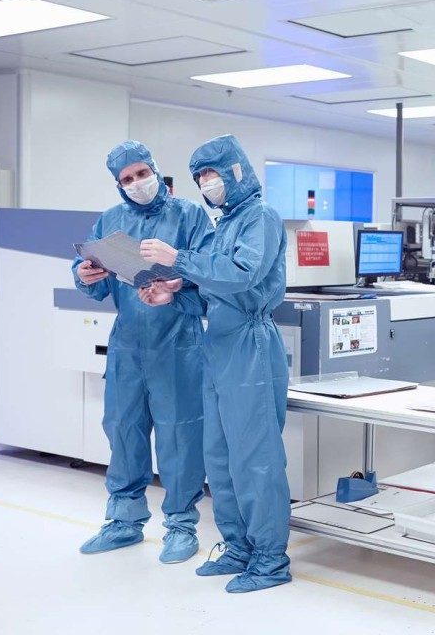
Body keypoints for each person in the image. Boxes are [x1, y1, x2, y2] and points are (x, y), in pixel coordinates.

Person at [140, 134, 291, 594]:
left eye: (211, 173)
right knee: (220, 457)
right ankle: (239, 547)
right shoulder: (226, 222)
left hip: (250, 346)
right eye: (199, 176)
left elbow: (242, 276)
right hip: (219, 346)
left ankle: (270, 560)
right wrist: (174, 290)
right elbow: (213, 291)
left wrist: (178, 258)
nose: (206, 183)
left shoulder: (260, 218)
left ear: (236, 171)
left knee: (255, 459)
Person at [72, 140, 212, 564]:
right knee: (123, 429)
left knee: (179, 433)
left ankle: (181, 524)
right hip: (128, 345)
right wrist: (85, 274)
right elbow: (95, 285)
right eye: (126, 179)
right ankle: (123, 521)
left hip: (177, 344)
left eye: (141, 173)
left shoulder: (189, 216)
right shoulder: (111, 220)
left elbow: (212, 280)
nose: (136, 183)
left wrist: (177, 285)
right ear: (118, 185)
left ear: (154, 169)